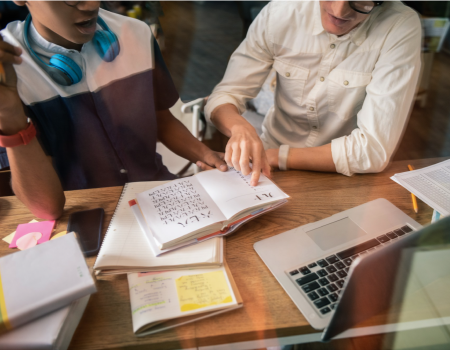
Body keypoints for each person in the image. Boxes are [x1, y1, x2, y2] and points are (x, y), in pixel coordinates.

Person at [0, 0, 227, 219]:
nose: (91, 5)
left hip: (157, 193)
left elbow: (161, 120)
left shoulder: (136, 33)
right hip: (86, 213)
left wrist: (207, 155)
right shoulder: (8, 72)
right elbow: (47, 209)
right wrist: (9, 115)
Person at [205, 0, 422, 186]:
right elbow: (226, 94)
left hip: (346, 174)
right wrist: (239, 127)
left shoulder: (399, 26)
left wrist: (276, 156)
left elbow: (373, 151)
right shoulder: (281, 12)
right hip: (268, 161)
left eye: (359, 1)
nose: (339, 11)